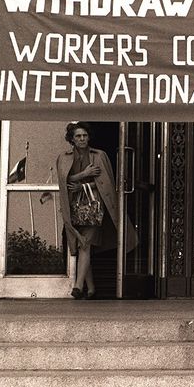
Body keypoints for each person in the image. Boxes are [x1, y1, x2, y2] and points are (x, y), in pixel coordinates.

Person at [56, 122, 137, 299]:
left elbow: (105, 182)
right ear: (72, 139)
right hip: (72, 206)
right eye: (78, 136)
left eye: (84, 135)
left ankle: (77, 286)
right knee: (81, 245)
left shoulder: (100, 155)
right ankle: (91, 288)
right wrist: (84, 175)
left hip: (93, 205)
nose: (82, 139)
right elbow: (65, 182)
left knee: (85, 243)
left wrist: (83, 185)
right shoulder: (63, 157)